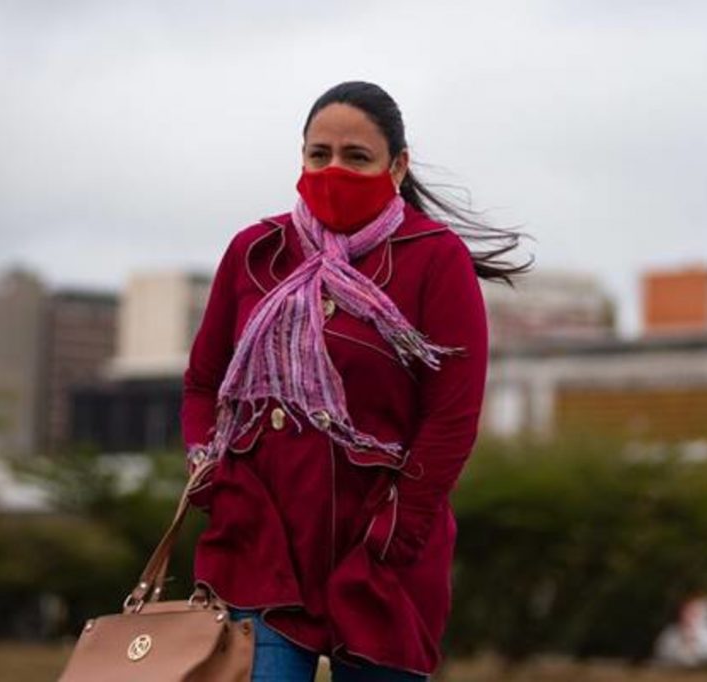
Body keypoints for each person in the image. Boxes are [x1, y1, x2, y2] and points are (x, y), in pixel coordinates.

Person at [179, 81, 527, 681]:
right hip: (262, 544)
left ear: (398, 166)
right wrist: (215, 479)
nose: (333, 169)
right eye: (320, 155)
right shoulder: (256, 251)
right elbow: (202, 383)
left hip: (380, 557)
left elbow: (451, 417)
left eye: (356, 157)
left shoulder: (433, 258)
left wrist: (395, 532)